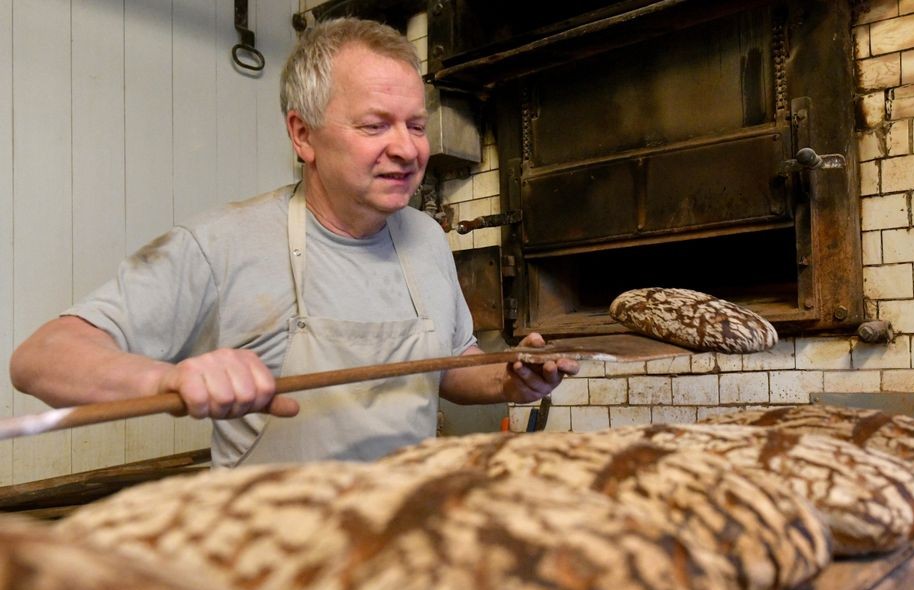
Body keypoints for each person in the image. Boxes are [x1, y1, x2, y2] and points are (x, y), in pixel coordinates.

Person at [9, 18, 577, 467]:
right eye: (375, 126)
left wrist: (511, 377)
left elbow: (451, 367)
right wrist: (167, 379)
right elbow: (41, 359)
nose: (408, 149)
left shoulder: (426, 237)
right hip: (277, 559)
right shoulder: (223, 244)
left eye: (416, 125)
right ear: (303, 134)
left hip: (400, 540)